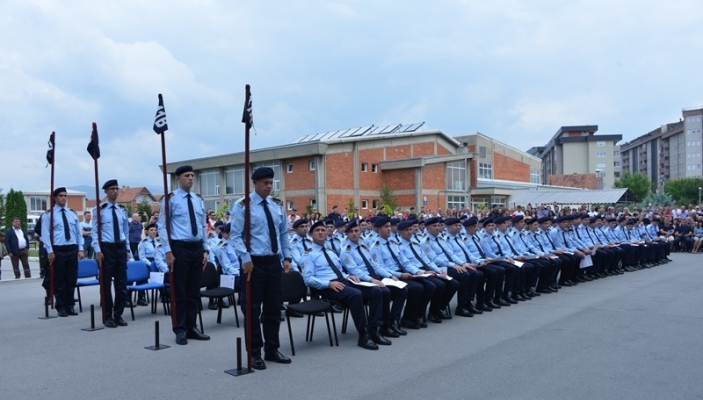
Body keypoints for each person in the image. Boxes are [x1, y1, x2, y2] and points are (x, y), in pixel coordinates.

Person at [230, 167, 292, 370]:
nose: (268, 187)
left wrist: (287, 256)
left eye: (271, 183)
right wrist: (245, 258)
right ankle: (254, 352)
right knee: (252, 309)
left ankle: (272, 349)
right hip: (253, 264)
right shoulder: (243, 205)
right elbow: (236, 235)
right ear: (254, 183)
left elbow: (283, 233)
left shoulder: (276, 205)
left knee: (274, 308)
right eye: (265, 183)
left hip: (273, 262)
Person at [302, 220, 385, 350]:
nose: (320, 233)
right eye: (317, 230)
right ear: (311, 234)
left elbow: (338, 270)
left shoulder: (330, 252)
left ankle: (374, 330)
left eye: (323, 230)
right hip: (326, 288)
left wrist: (348, 276)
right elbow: (308, 279)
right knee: (355, 294)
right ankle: (363, 336)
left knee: (376, 291)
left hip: (342, 282)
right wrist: (328, 284)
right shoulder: (308, 255)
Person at [158, 165, 211, 345]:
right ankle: (180, 329)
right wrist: (167, 251)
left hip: (196, 247)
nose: (191, 178)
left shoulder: (198, 199)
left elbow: (203, 226)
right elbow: (162, 226)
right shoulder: (170, 199)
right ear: (178, 178)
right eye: (187, 176)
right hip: (179, 247)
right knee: (180, 290)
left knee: (194, 290)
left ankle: (192, 326)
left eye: (192, 175)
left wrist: (205, 249)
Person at [92, 179, 132, 328]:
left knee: (121, 285)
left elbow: (125, 232)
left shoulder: (122, 210)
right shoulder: (99, 210)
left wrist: (127, 249)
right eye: (112, 189)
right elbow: (95, 232)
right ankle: (107, 316)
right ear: (106, 192)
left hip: (120, 248)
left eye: (117, 188)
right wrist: (98, 250)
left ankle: (118, 314)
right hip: (107, 249)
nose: (115, 191)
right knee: (106, 284)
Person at [40, 187, 84, 317]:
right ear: (54, 197)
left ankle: (70, 305)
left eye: (65, 195)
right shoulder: (49, 215)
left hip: (72, 248)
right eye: (60, 196)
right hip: (58, 249)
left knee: (71, 279)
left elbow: (78, 233)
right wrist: (49, 250)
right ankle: (61, 306)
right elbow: (45, 234)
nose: (63, 198)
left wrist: (80, 248)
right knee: (59, 280)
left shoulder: (72, 213)